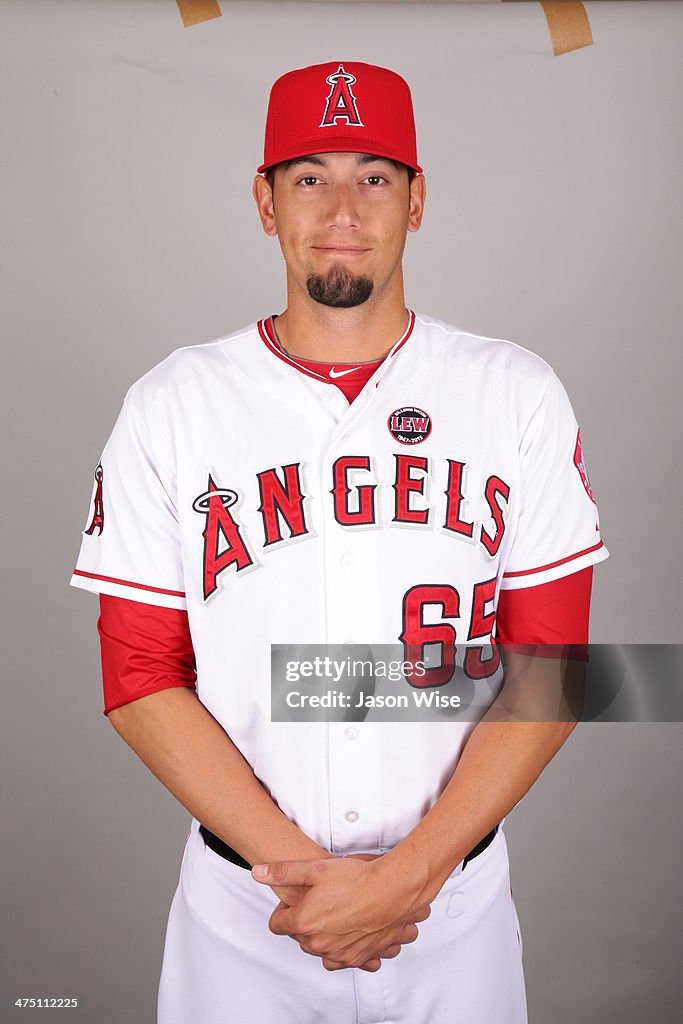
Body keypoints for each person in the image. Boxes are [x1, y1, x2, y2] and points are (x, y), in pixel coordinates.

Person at [70, 60, 609, 1024]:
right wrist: (308, 880)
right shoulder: (173, 404)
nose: (344, 209)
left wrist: (410, 876)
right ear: (265, 202)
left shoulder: (513, 392)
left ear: (417, 199)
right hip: (247, 916)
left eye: (375, 175)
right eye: (309, 176)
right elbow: (139, 672)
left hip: (453, 910)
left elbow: (553, 665)